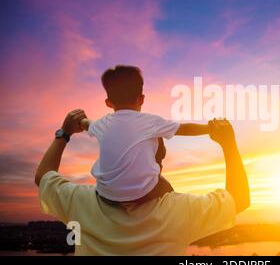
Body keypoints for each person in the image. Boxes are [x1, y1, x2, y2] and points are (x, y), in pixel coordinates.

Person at [34, 110, 250, 255]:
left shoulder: (80, 203)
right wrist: (228, 144)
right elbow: (239, 199)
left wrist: (64, 134)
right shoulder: (177, 212)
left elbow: (43, 175)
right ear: (158, 164)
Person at [78, 65, 210, 203]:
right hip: (143, 194)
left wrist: (82, 120)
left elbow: (87, 125)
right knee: (158, 137)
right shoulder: (150, 121)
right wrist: (210, 128)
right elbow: (185, 129)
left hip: (107, 195)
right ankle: (168, 202)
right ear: (141, 99)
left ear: (108, 103)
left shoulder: (101, 124)